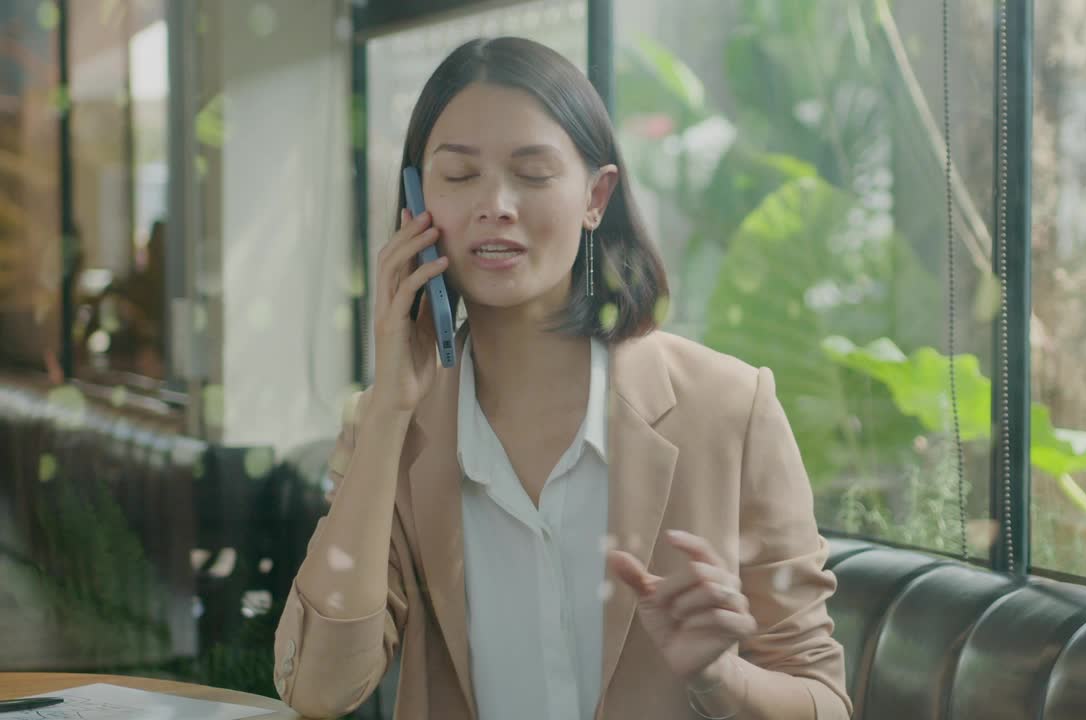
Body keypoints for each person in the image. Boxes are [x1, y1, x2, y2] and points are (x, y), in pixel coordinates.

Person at [273, 36, 851, 720]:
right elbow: (317, 688)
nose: (496, 204)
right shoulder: (395, 428)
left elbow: (825, 703)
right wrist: (392, 407)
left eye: (533, 172)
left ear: (596, 196)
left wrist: (720, 676)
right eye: (458, 177)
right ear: (416, 206)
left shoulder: (729, 409)